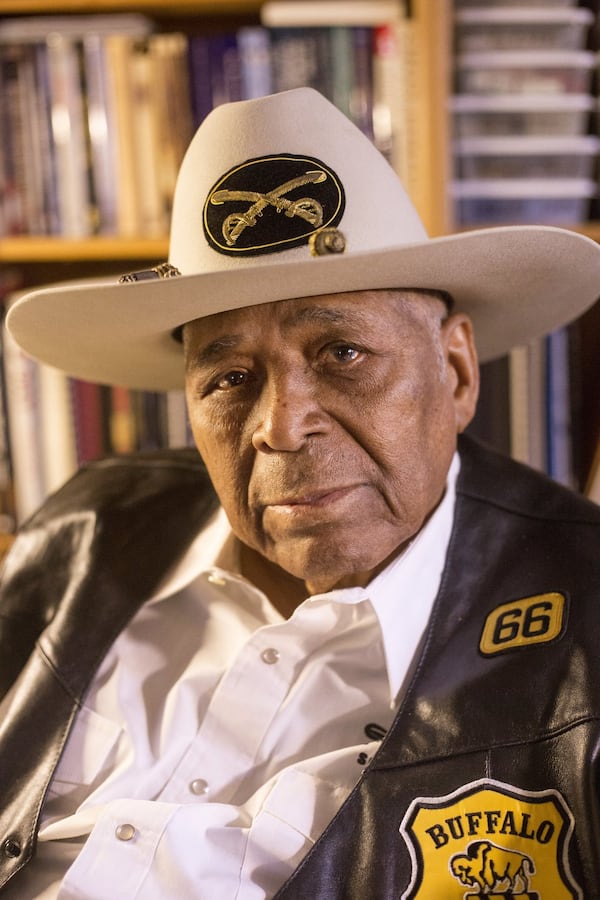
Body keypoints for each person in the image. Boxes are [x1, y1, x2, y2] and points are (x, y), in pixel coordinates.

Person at [0, 87, 599, 899]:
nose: (280, 427)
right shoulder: (90, 526)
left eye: (342, 353)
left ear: (456, 372)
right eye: (230, 377)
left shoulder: (587, 620)